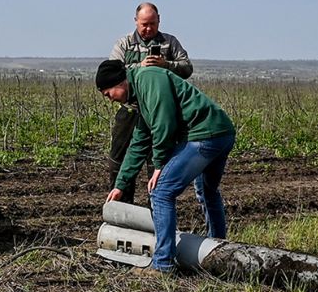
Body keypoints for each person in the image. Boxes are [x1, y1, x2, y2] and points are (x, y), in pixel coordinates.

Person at [95, 59, 235, 273]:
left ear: (119, 83)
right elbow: (140, 140)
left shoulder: (148, 78)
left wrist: (160, 163)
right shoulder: (140, 93)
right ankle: (218, 250)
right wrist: (120, 185)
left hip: (203, 135)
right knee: (208, 191)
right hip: (220, 132)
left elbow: (164, 122)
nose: (110, 100)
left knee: (160, 192)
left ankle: (162, 264)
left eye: (108, 94)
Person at [106, 2, 192, 204]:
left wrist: (166, 65)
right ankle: (121, 208)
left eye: (152, 24)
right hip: (130, 112)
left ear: (159, 20)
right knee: (119, 160)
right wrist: (139, 66)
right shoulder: (124, 43)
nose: (148, 28)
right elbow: (113, 72)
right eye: (144, 24)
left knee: (158, 163)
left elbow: (187, 68)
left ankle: (157, 211)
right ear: (135, 21)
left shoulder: (170, 43)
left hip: (160, 113)